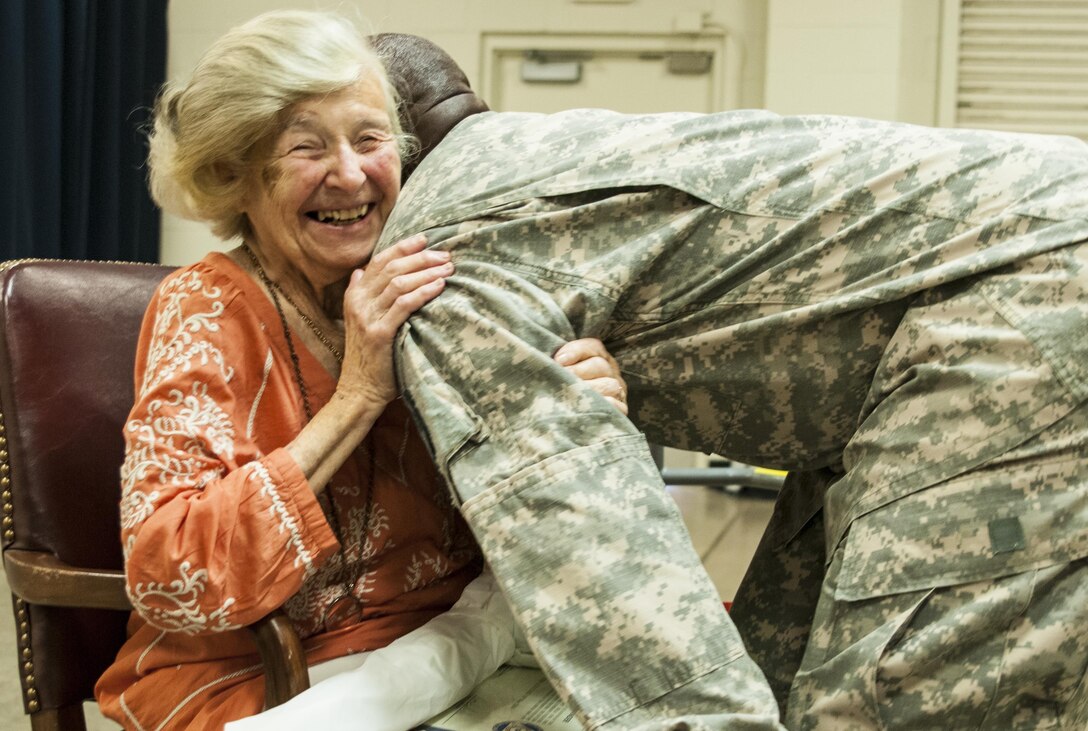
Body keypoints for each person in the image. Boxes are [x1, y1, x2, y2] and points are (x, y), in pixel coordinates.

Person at [375, 57, 1088, 731]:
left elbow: (583, 533)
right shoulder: (524, 157)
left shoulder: (426, 262)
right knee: (783, 667)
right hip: (983, 299)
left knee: (888, 697)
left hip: (1033, 307)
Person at [93, 11, 629, 730]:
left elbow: (533, 499)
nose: (350, 174)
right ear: (235, 176)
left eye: (371, 139)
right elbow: (170, 577)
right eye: (305, 148)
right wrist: (358, 395)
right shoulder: (205, 308)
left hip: (456, 647)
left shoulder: (430, 284)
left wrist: (586, 410)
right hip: (267, 677)